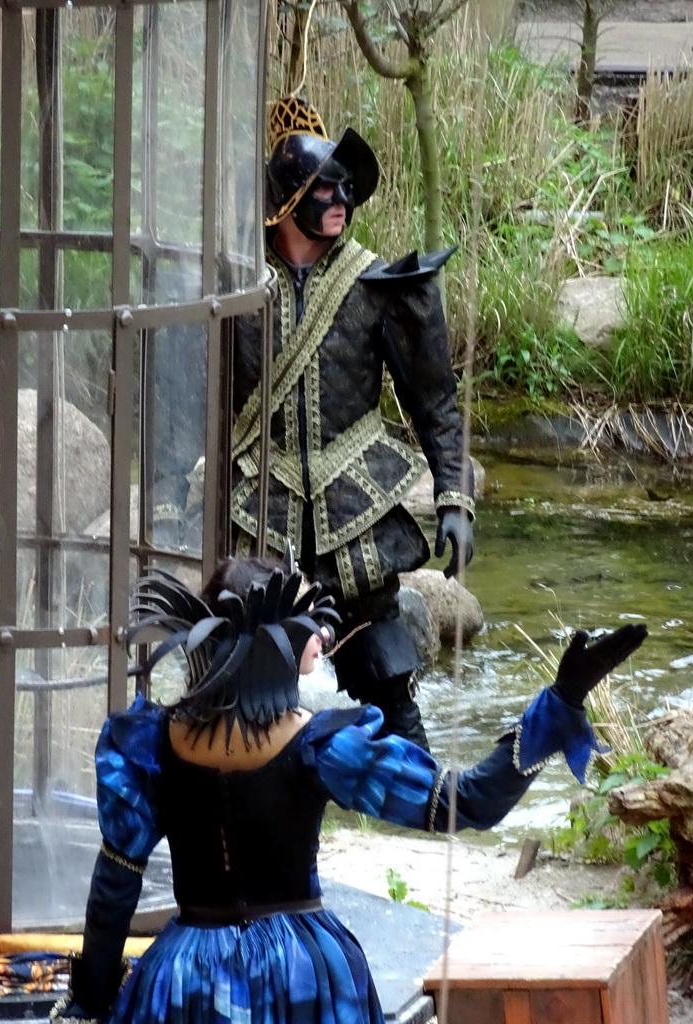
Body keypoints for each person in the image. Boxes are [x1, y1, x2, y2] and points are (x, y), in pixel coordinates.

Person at [52, 557, 647, 1024]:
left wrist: (92, 1002)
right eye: (311, 626)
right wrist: (560, 702)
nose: (324, 634)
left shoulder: (150, 744)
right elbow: (468, 802)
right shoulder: (325, 748)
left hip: (183, 982)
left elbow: (114, 886)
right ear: (277, 642)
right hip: (303, 978)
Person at [231, 96, 474, 751]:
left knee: (389, 687)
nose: (342, 197)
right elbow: (187, 402)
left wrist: (455, 497)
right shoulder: (235, 285)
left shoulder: (379, 288)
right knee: (252, 699)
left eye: (348, 185)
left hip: (356, 520)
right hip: (260, 516)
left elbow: (436, 403)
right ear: (285, 200)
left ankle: (419, 814)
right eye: (325, 185)